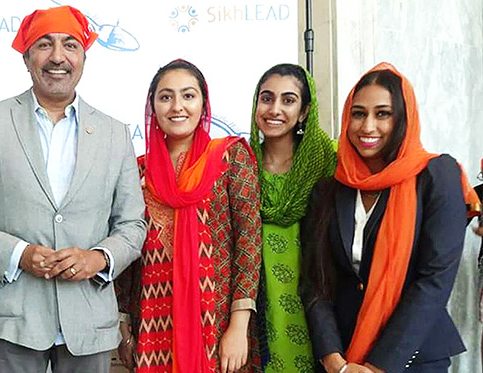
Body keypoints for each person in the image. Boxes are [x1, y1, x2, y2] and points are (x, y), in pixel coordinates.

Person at [0, 5, 146, 372]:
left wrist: (98, 259)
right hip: (10, 318)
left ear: (83, 57)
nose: (57, 57)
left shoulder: (114, 133)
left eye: (70, 45)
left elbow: (132, 225)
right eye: (44, 44)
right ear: (27, 56)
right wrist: (18, 254)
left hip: (90, 321)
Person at [301, 62, 480, 373]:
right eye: (358, 113)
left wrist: (378, 366)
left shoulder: (437, 176)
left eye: (382, 114)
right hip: (341, 358)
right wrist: (333, 360)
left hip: (412, 356)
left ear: (403, 119)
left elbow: (434, 280)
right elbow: (316, 282)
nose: (367, 126)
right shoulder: (330, 189)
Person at [116, 59, 263, 373]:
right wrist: (124, 324)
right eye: (166, 97)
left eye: (188, 95)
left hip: (217, 323)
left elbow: (249, 244)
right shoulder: (136, 169)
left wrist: (238, 326)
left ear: (203, 103)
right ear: (152, 106)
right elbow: (128, 252)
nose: (177, 106)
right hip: (152, 323)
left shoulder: (230, 156)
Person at [249, 64, 336, 373]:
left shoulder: (328, 163)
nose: (274, 109)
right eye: (266, 98)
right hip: (257, 308)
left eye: (288, 100)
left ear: (304, 112)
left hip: (317, 304)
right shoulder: (239, 164)